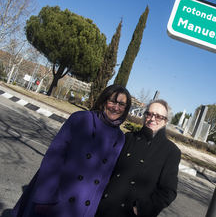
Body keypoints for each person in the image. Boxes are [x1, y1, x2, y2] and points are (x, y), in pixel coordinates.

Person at [12, 85, 132, 217]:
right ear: (104, 101)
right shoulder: (81, 119)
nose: (116, 107)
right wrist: (45, 197)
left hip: (81, 209)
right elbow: (54, 158)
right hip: (56, 200)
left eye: (121, 104)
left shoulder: (120, 138)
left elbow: (103, 180)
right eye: (112, 101)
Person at [95, 99, 181, 217]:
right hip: (103, 207)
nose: (152, 119)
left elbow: (168, 191)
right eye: (149, 114)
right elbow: (107, 168)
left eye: (158, 117)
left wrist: (141, 209)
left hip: (130, 213)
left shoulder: (171, 151)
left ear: (165, 121)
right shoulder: (128, 138)